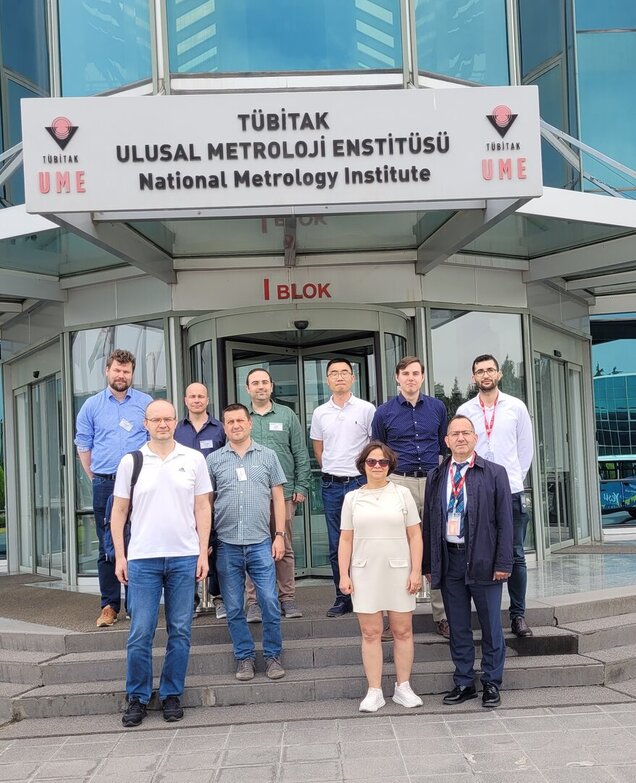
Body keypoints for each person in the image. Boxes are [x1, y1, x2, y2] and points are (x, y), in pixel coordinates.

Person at [111, 399, 212, 727]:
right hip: (143, 558)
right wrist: (121, 555)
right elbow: (119, 512)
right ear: (146, 424)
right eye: (156, 419)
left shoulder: (193, 459)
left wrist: (202, 552)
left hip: (183, 556)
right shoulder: (131, 462)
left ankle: (171, 694)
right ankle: (137, 697)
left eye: (168, 419)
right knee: (140, 631)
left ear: (175, 422)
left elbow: (202, 508)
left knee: (180, 630)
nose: (163, 424)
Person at [423, 415, 513, 709]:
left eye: (466, 433)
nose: (460, 438)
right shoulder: (436, 476)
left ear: (475, 438)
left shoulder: (495, 473)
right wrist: (428, 564)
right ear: (446, 441)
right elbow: (429, 523)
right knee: (458, 626)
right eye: (455, 434)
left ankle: (491, 682)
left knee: (491, 625)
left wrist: (504, 562)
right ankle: (464, 682)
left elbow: (505, 522)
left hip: (484, 560)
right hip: (450, 560)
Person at [339, 442, 424, 713]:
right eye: (372, 461)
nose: (377, 466)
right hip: (364, 572)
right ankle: (374, 690)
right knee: (370, 632)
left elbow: (415, 535)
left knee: (403, 630)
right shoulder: (352, 498)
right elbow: (345, 539)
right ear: (363, 465)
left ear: (390, 465)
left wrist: (416, 571)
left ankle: (403, 687)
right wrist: (343, 574)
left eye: (383, 462)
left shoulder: (402, 494)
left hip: (399, 571)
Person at [206, 403, 287, 681]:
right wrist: (205, 540)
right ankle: (244, 657)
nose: (236, 425)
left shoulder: (268, 456)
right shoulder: (214, 460)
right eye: (230, 422)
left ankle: (273, 656)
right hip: (226, 544)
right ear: (224, 427)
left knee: (269, 601)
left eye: (240, 420)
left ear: (249, 423)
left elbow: (278, 498)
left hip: (260, 542)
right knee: (233, 606)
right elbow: (206, 503)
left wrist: (279, 536)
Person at [456, 354, 534, 638]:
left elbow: (525, 449)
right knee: (475, 551)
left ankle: (518, 615)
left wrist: (510, 479)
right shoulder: (465, 410)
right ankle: (482, 615)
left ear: (499, 374)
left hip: (510, 491)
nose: (485, 375)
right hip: (475, 492)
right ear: (473, 378)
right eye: (480, 371)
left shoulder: (516, 407)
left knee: (515, 554)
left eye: (490, 370)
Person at [372, 356, 450, 639]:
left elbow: (443, 445)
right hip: (398, 482)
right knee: (395, 549)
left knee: (436, 547)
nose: (411, 378)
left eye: (416, 373)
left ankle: (442, 616)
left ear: (423, 377)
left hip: (432, 481)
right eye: (405, 373)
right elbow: (378, 450)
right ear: (397, 377)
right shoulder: (384, 412)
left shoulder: (438, 408)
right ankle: (393, 617)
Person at [74, 348, 152, 628]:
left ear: (132, 374)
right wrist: (96, 477)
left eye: (126, 371)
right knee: (108, 545)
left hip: (140, 483)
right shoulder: (91, 406)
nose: (121, 375)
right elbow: (84, 446)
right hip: (105, 483)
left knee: (139, 541)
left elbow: (154, 441)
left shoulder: (145, 403)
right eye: (117, 370)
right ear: (107, 371)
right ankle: (109, 605)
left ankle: (135, 605)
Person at [244, 368, 312, 621]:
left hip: (283, 494)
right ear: (247, 389)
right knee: (252, 548)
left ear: (271, 386)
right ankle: (254, 602)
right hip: (250, 495)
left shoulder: (287, 415)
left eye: (265, 382)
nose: (260, 386)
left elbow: (300, 452)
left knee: (284, 546)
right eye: (255, 383)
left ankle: (288, 599)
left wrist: (301, 486)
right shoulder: (242, 417)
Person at [310, 358, 375, 617]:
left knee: (365, 541)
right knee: (336, 544)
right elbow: (318, 448)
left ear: (353, 378)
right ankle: (342, 596)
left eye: (344, 372)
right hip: (332, 485)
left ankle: (366, 595)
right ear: (327, 380)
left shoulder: (366, 409)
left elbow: (373, 446)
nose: (339, 377)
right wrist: (331, 467)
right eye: (334, 373)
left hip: (360, 483)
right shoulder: (320, 412)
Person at [174, 382, 226, 620]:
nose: (196, 400)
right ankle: (190, 601)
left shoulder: (220, 429)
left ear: (207, 400)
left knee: (217, 549)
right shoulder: (176, 430)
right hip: (183, 500)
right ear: (186, 400)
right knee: (187, 548)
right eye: (192, 396)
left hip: (214, 498)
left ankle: (219, 598)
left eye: (201, 396)